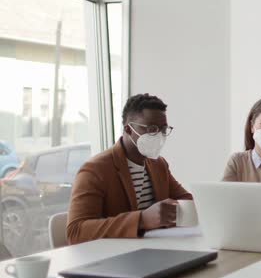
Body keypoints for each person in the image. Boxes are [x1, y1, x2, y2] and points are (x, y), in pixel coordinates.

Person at [67, 94, 192, 244]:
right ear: (128, 129)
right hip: (113, 258)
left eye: (163, 129)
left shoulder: (158, 165)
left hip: (153, 251)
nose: (158, 135)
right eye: (151, 128)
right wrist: (141, 220)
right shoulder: (94, 170)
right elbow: (75, 231)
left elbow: (185, 201)